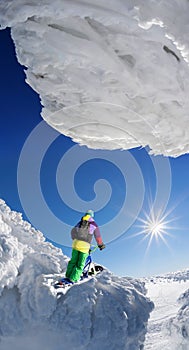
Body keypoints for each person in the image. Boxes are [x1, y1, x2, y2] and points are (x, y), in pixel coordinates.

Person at [65, 209, 105, 283]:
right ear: (92, 216)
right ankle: (73, 279)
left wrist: (75, 239)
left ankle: (67, 276)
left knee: (73, 261)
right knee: (80, 264)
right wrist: (101, 245)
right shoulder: (94, 224)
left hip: (75, 244)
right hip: (84, 245)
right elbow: (98, 237)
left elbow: (73, 231)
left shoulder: (80, 222)